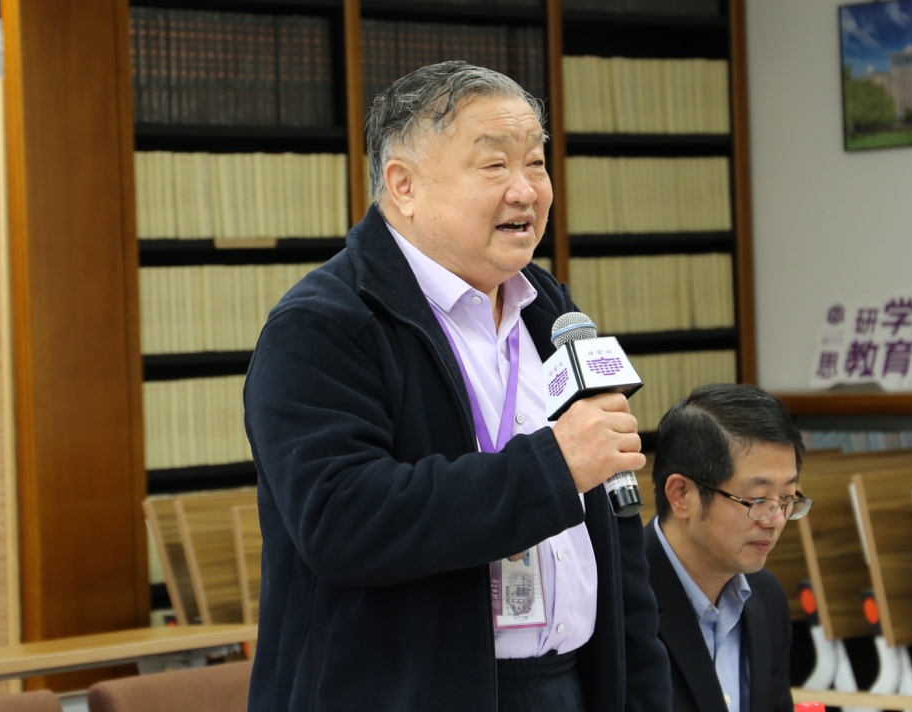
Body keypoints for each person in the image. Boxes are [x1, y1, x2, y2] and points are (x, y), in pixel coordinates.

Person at [243, 61, 671, 711]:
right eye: (495, 165)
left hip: (569, 685)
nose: (526, 190)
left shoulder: (549, 312)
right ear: (404, 186)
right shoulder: (323, 325)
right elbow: (341, 519)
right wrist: (552, 469)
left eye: (535, 163)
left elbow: (617, 531)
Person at [643, 383, 811, 712]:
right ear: (681, 495)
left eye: (787, 498)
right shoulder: (618, 600)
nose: (776, 520)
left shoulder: (767, 597)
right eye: (758, 499)